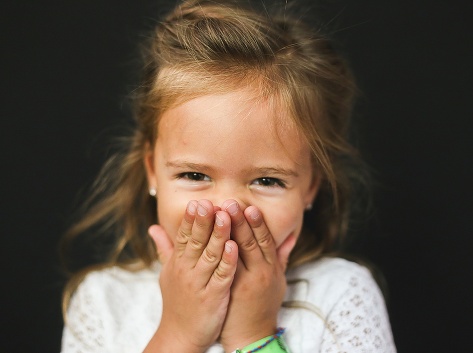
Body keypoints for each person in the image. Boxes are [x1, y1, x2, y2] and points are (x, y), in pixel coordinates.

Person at [58, 0, 396, 352]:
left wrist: (254, 335)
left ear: (310, 187)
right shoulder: (103, 302)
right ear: (151, 172)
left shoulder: (342, 293)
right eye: (194, 175)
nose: (227, 209)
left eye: (267, 181)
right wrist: (179, 335)